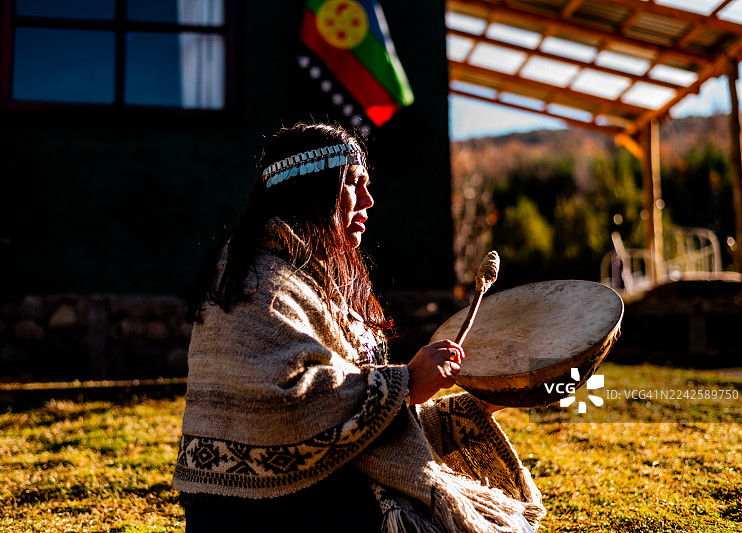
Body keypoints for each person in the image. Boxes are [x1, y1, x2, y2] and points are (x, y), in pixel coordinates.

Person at [173, 122, 545, 532]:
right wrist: (405, 381)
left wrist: (481, 402)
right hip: (256, 516)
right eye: (353, 182)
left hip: (306, 498)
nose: (368, 199)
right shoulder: (257, 284)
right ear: (311, 189)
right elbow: (288, 405)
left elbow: (350, 429)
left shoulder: (308, 279)